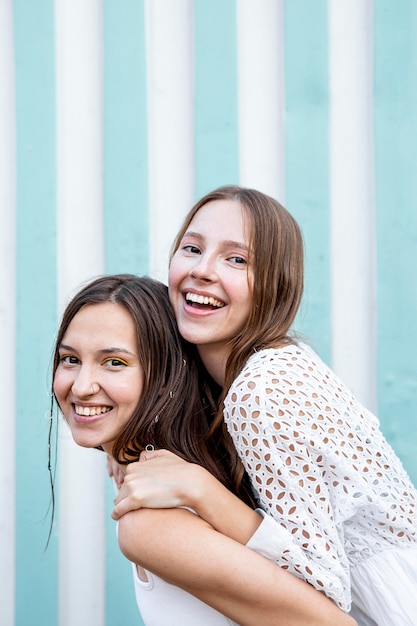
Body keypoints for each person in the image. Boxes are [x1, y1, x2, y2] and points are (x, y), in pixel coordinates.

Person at [112, 185, 417, 626]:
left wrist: (198, 487)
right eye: (192, 248)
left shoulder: (262, 388)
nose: (202, 270)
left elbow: (322, 589)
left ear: (275, 285)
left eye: (236, 259)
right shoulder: (253, 371)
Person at [51, 274, 354, 626]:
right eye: (69, 359)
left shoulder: (151, 523)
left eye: (115, 362)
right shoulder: (177, 470)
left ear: (165, 375)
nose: (82, 385)